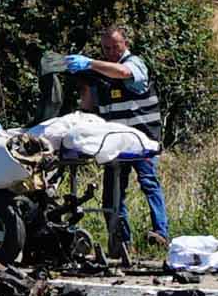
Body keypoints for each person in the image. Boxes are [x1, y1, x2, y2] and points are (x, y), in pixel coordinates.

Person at [67, 24, 168, 255]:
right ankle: (121, 243)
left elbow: (122, 73)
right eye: (106, 48)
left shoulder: (134, 64)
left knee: (149, 184)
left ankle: (161, 234)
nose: (111, 51)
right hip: (114, 146)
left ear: (126, 44)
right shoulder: (101, 75)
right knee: (112, 194)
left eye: (116, 46)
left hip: (142, 142)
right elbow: (89, 105)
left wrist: (90, 63)